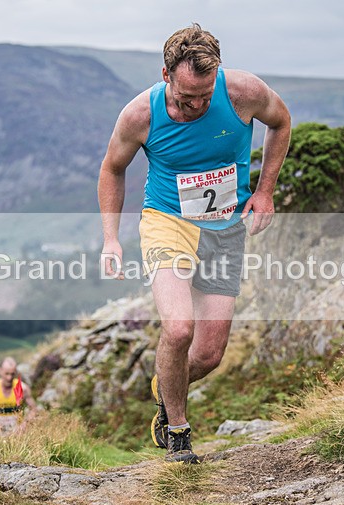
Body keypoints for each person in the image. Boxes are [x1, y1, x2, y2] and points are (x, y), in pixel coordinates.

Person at [98, 24, 291, 463]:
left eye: (205, 97)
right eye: (187, 98)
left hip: (223, 227)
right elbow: (112, 169)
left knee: (208, 354)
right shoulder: (140, 116)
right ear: (166, 75)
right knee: (179, 328)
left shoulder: (243, 92)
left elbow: (281, 123)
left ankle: (165, 387)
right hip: (168, 221)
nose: (198, 106)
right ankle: (178, 433)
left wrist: (264, 192)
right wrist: (111, 237)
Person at [0, 357, 38, 436]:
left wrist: (24, 425)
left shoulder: (23, 388)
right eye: (7, 373)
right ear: (0, 371)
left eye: (12, 374)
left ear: (15, 372)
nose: (9, 378)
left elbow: (34, 409)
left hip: (17, 434)